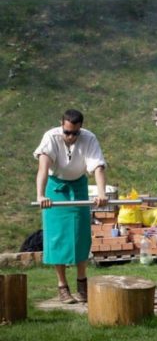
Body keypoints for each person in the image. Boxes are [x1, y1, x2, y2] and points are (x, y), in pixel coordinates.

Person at [34, 109, 108, 303]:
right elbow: (43, 168)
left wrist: (101, 193)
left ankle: (82, 283)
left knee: (80, 235)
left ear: (80, 128)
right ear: (62, 125)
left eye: (75, 133)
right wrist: (41, 195)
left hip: (79, 187)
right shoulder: (51, 137)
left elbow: (98, 167)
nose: (70, 136)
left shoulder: (89, 138)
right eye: (67, 132)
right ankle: (62, 286)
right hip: (55, 188)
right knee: (57, 236)